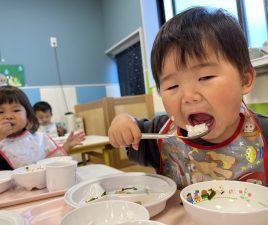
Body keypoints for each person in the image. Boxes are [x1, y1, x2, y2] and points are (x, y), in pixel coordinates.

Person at [108, 7, 268, 188]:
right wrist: (123, 122)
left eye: (205, 77)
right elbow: (133, 131)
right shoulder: (160, 133)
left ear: (244, 80)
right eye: (172, 86)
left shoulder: (264, 132)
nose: (189, 97)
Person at [0, 86, 79, 173]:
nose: (8, 116)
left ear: (28, 115)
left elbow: (53, 161)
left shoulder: (38, 138)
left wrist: (66, 146)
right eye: (0, 112)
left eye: (16, 110)